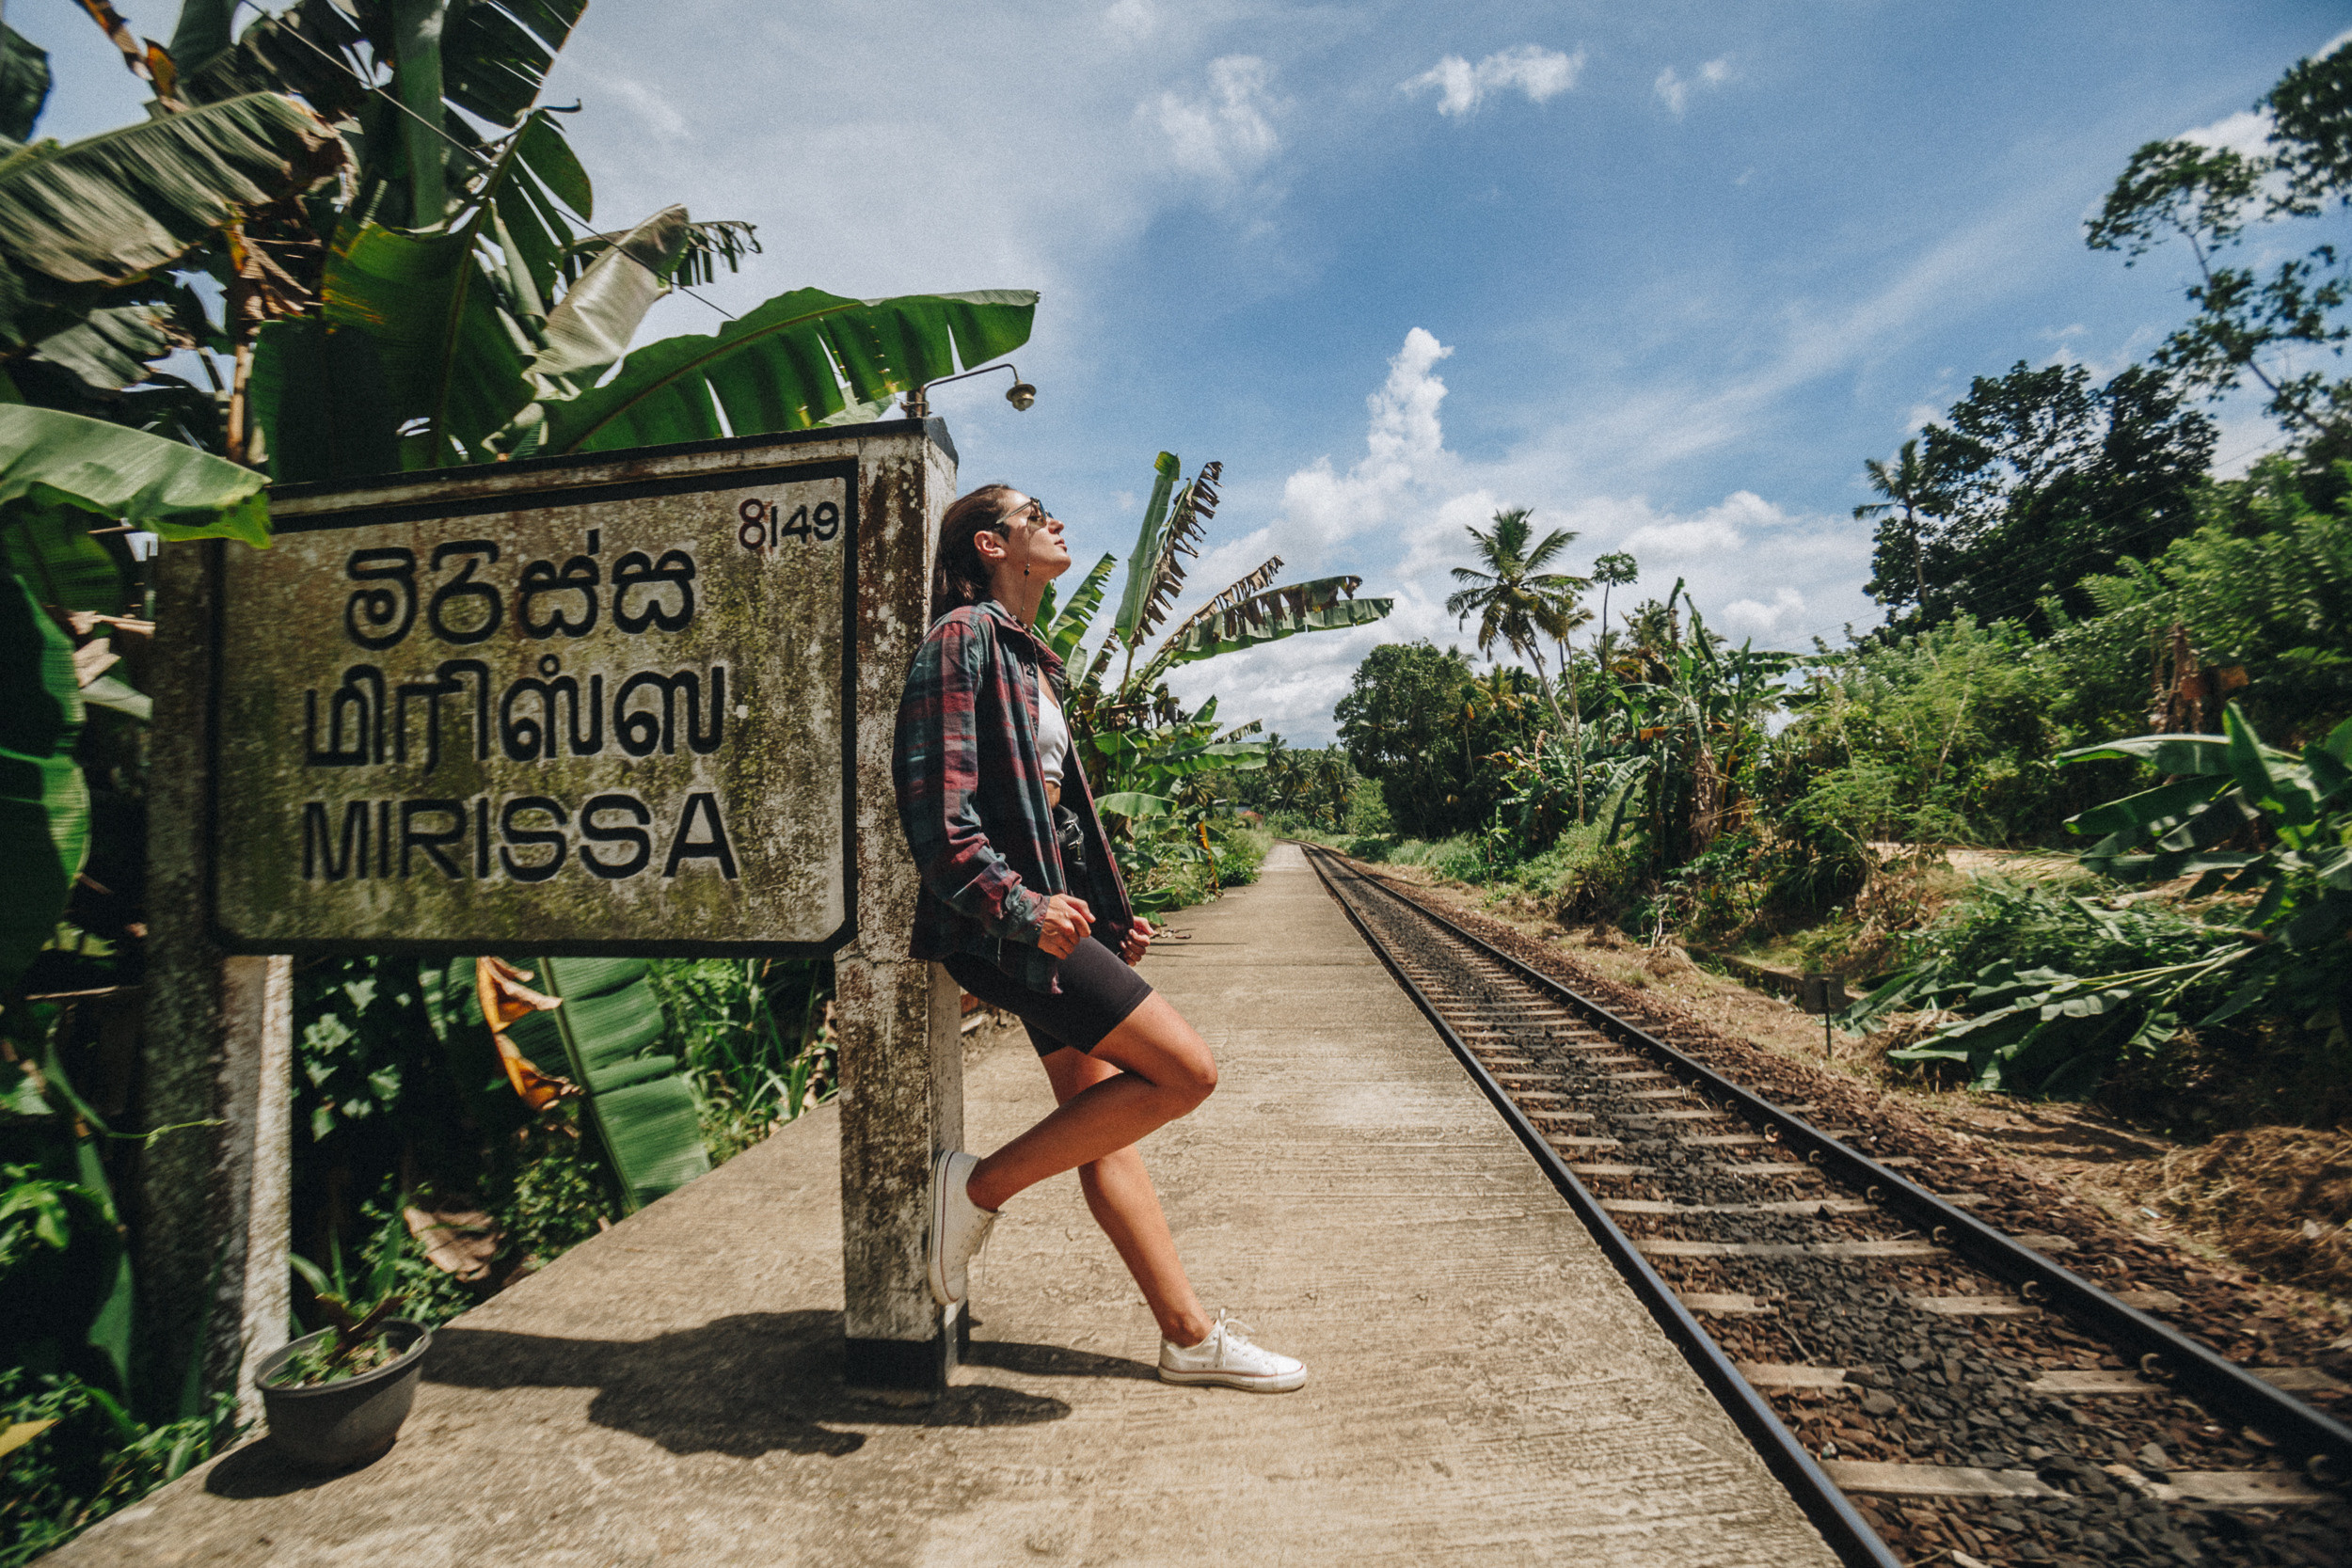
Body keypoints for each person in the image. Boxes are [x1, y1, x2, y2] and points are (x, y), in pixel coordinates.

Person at [892, 483, 1305, 1393]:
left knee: (1101, 1130)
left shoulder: (1028, 659)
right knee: (1184, 1070)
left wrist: (1105, 918)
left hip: (1043, 922)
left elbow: (1053, 817)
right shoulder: (960, 639)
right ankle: (976, 1188)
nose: (1057, 520)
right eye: (1037, 512)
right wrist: (1025, 909)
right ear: (993, 544)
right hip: (1002, 929)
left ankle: (1187, 1335)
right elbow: (937, 813)